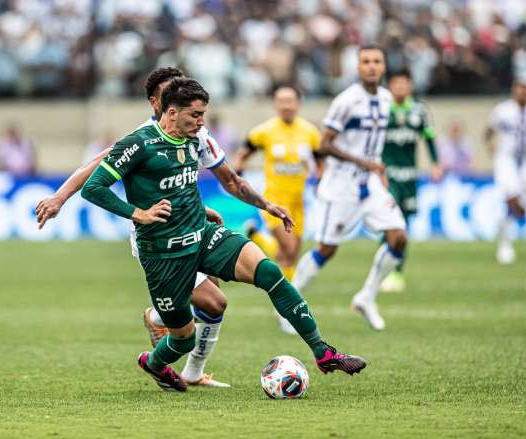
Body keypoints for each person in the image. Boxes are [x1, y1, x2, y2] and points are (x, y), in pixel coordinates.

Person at [79, 77, 366, 392]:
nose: (202, 122)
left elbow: (228, 180)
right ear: (171, 112)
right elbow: (93, 187)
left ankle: (323, 352)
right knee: (184, 338)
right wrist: (139, 214)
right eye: (195, 115)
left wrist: (266, 204)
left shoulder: (195, 137)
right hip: (163, 255)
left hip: (201, 235)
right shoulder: (138, 144)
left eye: (203, 114)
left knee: (269, 272)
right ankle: (154, 363)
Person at [36, 68, 232, 387]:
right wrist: (59, 197)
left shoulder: (192, 127)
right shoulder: (142, 136)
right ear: (156, 101)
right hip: (159, 236)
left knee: (212, 301)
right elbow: (95, 167)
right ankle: (166, 335)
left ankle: (187, 361)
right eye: (170, 93)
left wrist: (202, 209)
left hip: (191, 225)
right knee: (213, 302)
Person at [292, 45, 408, 331]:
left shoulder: (385, 98)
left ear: (384, 66)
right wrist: (362, 162)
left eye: (377, 61)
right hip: (341, 185)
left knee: (399, 237)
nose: (371, 66)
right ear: (357, 68)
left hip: (369, 185)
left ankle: (367, 296)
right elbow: (325, 144)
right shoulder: (346, 101)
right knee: (327, 249)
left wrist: (375, 167)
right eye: (365, 61)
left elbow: (372, 143)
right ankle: (289, 305)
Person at [232, 86, 322, 334]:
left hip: (298, 201)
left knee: (289, 255)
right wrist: (238, 174)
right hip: (274, 200)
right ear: (275, 104)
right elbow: (244, 152)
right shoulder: (265, 131)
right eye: (281, 101)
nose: (286, 105)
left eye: (290, 101)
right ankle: (288, 306)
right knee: (290, 249)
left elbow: (320, 157)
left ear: (297, 104)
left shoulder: (310, 132)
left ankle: (256, 238)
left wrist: (321, 177)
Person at [380, 69, 442, 292]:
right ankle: (385, 272)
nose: (400, 88)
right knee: (391, 222)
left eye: (404, 84)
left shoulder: (419, 111)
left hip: (410, 176)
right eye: (395, 84)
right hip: (387, 176)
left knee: (404, 225)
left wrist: (435, 163)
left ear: (410, 87)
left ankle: (396, 272)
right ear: (390, 87)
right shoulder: (382, 109)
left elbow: (429, 138)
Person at [484, 79, 526, 264]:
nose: (521, 94)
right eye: (518, 90)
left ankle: (507, 231)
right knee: (510, 200)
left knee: (519, 208)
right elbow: (488, 130)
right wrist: (490, 145)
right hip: (506, 158)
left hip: (525, 159)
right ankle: (505, 245)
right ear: (512, 92)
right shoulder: (503, 110)